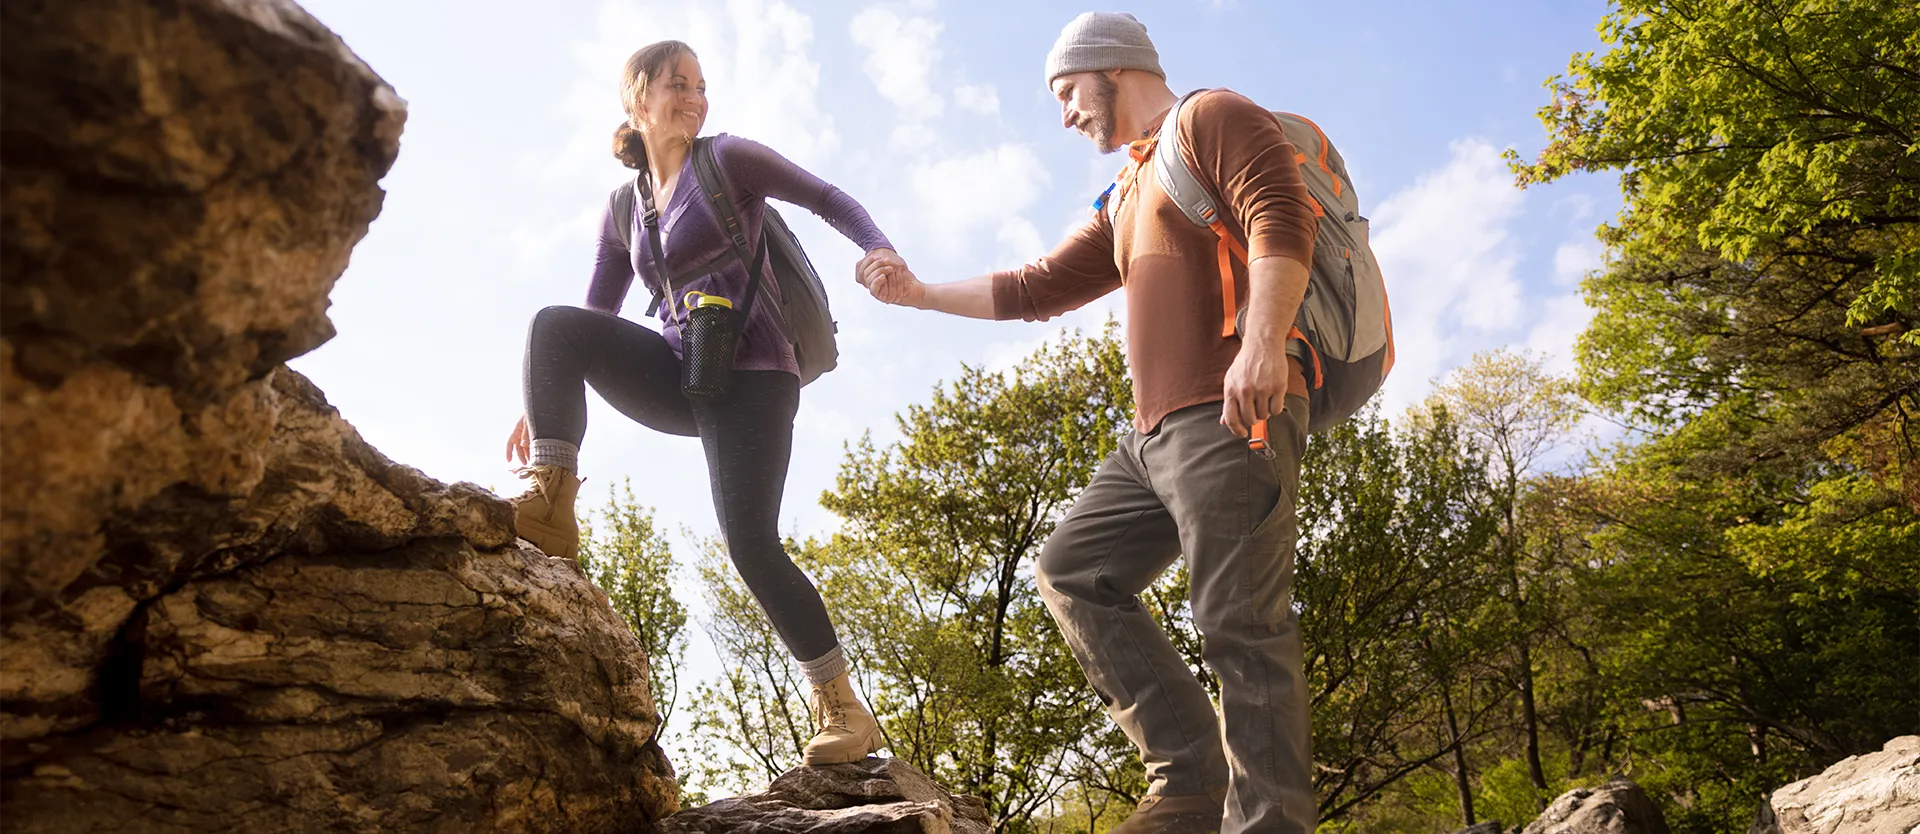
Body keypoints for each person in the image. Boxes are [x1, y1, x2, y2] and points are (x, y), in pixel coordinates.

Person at [856, 12, 1320, 833]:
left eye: (1068, 91)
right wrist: (918, 291)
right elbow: (1036, 288)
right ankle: (1189, 781)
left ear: (1112, 69)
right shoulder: (1128, 189)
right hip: (1150, 440)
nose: (1065, 113)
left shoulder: (1209, 118)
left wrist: (1262, 344)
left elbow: (1281, 218)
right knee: (1072, 571)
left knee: (1239, 626)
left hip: (1231, 408)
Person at [505, 39, 905, 767]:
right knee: (552, 327)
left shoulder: (729, 160)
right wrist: (541, 406)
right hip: (680, 369)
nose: (693, 97)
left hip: (754, 373)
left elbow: (828, 197)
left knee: (750, 544)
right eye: (676, 84)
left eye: (700, 85)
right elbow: (596, 312)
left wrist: (878, 248)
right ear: (637, 97)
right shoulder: (623, 208)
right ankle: (551, 502)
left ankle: (842, 705)